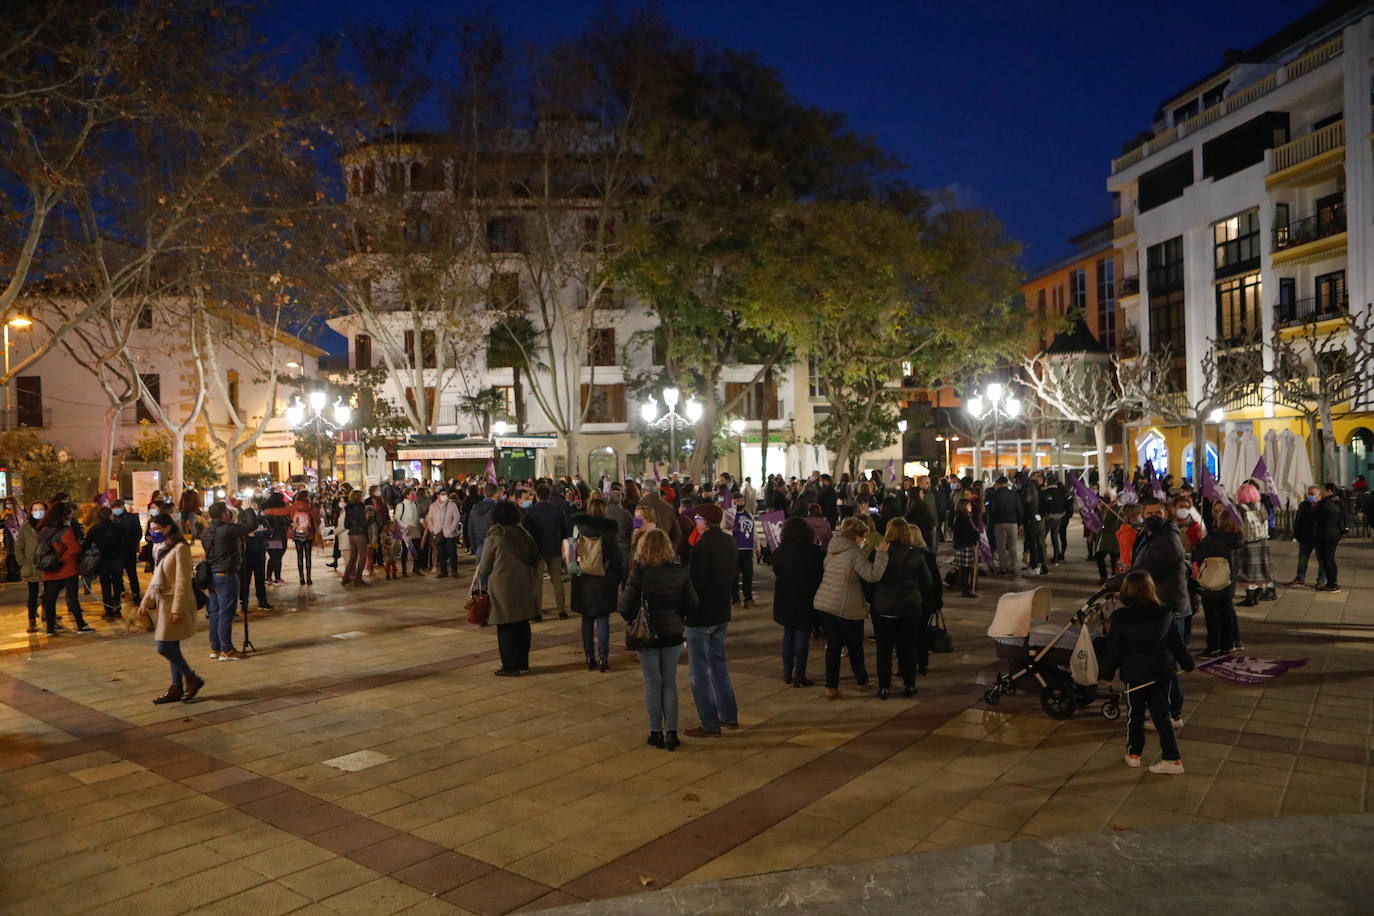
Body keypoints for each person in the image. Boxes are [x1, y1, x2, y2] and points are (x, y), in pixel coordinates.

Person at [1098, 570, 1195, 774]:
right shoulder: (1164, 613)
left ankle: (1134, 754)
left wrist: (1107, 673)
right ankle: (1172, 758)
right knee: (1162, 715)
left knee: (1135, 715)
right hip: (1161, 672)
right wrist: (1187, 663)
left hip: (1135, 674)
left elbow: (1113, 649)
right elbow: (1176, 643)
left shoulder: (1121, 618)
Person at [620, 528, 695, 751]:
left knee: (653, 681)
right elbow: (692, 602)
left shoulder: (640, 574)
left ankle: (656, 732)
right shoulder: (679, 571)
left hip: (647, 634)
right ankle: (672, 732)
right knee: (669, 681)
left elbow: (625, 607)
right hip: (672, 632)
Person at [1128, 497, 1190, 727]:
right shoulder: (1151, 535)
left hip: (1168, 608)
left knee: (1165, 665)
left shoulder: (1167, 540)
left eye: (1158, 512)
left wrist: (1120, 582)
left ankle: (1170, 714)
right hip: (1156, 606)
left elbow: (1147, 570)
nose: (1153, 516)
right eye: (1149, 512)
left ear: (1166, 512)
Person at [813, 516, 889, 699]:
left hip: (825, 603)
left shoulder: (834, 549)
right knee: (855, 646)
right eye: (862, 536)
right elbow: (872, 575)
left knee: (833, 646)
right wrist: (881, 554)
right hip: (846, 607)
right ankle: (862, 681)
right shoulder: (854, 553)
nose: (863, 539)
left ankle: (831, 687)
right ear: (855, 536)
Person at [683, 503, 740, 737]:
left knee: (698, 671)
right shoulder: (729, 542)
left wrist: (685, 608)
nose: (695, 521)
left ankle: (709, 722)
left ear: (704, 522)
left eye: (697, 518)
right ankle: (729, 714)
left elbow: (695, 584)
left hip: (701, 615)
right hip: (721, 612)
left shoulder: (702, 547)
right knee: (718, 665)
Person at [139, 514, 206, 704]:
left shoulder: (180, 549)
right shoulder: (161, 548)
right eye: (152, 529)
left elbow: (183, 581)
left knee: (164, 647)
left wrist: (178, 609)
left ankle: (191, 678)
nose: (154, 533)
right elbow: (156, 579)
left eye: (157, 529)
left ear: (169, 527)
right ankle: (176, 687)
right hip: (163, 603)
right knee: (172, 647)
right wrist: (146, 602)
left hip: (175, 604)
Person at [478, 500, 541, 676]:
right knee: (522, 624)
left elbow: (484, 567)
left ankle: (509, 666)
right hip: (524, 585)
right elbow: (535, 558)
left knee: (506, 627)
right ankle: (522, 662)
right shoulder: (523, 534)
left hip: (502, 588)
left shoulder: (495, 536)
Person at [870, 518, 929, 699]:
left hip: (884, 607)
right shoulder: (916, 555)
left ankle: (884, 687)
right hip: (909, 608)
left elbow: (871, 579)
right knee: (908, 647)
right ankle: (909, 684)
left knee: (884, 649)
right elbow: (927, 581)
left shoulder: (879, 553)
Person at [570, 498, 625, 671]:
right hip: (603, 581)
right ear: (603, 511)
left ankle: (589, 657)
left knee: (586, 620)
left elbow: (571, 553)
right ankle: (603, 658)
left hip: (582, 580)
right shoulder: (609, 531)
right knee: (603, 620)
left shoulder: (577, 528)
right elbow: (617, 558)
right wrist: (616, 578)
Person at [770, 517, 824, 688]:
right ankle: (800, 674)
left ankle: (787, 671)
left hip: (786, 597)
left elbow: (777, 570)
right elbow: (820, 573)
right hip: (806, 597)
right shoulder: (815, 552)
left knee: (788, 634)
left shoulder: (780, 551)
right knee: (802, 636)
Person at [1191, 512, 1244, 656]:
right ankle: (1228, 644)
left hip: (1213, 581)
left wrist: (1198, 545)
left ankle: (1213, 647)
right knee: (1226, 614)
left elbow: (1198, 555)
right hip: (1228, 582)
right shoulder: (1238, 540)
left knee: (1212, 617)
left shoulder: (1214, 538)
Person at [37, 501, 93, 634]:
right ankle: (80, 625)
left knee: (50, 599)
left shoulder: (42, 530)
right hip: (67, 569)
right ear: (63, 515)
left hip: (49, 569)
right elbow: (74, 549)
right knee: (72, 598)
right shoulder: (65, 531)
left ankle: (50, 628)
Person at [200, 502, 247, 660]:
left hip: (212, 575)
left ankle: (215, 648)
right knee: (226, 613)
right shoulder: (226, 529)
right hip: (226, 575)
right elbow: (250, 526)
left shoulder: (206, 532)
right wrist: (247, 509)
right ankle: (227, 649)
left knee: (214, 613)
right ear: (223, 514)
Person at [523, 485, 571, 619]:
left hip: (538, 550)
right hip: (554, 549)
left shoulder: (531, 512)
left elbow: (527, 531)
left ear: (537, 496)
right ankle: (561, 610)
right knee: (557, 581)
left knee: (537, 582)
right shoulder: (556, 510)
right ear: (549, 496)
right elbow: (565, 528)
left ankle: (537, 612)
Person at [1235, 483, 1276, 606]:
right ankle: (1257, 595)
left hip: (1247, 543)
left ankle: (1250, 598)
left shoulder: (1240, 508)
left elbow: (1238, 526)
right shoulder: (1260, 506)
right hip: (1262, 542)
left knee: (1248, 571)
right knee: (1260, 571)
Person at [84, 506, 127, 620]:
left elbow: (86, 544)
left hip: (103, 561)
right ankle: (118, 606)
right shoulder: (118, 527)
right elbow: (125, 542)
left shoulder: (94, 529)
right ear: (110, 515)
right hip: (117, 560)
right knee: (118, 584)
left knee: (105, 585)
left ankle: (108, 610)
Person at [17, 500, 45, 633]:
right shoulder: (26, 527)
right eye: (35, 509)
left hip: (47, 565)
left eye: (41, 509)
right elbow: (19, 547)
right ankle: (32, 621)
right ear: (31, 512)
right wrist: (23, 562)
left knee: (49, 593)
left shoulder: (49, 525)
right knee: (32, 594)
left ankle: (49, 616)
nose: (38, 511)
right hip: (32, 566)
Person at [1313, 482, 1345, 593]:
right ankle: (1333, 582)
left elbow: (1315, 516)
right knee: (1330, 559)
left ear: (1329, 491)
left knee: (1327, 559)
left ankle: (1332, 584)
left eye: (1323, 490)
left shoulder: (1325, 503)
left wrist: (1316, 505)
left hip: (1326, 535)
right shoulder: (1338, 502)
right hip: (1334, 534)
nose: (1321, 492)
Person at [986, 476, 1021, 577]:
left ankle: (1003, 568)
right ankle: (1013, 567)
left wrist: (991, 523)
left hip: (999, 523)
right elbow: (1019, 509)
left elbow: (991, 511)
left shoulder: (994, 495)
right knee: (1013, 546)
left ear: (999, 484)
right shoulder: (1014, 494)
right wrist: (1020, 522)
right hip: (1013, 522)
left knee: (1001, 547)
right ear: (1006, 483)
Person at [425, 489, 462, 579]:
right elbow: (429, 518)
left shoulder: (452, 505)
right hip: (438, 532)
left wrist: (452, 528)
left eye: (446, 494)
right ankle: (443, 571)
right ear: (438, 495)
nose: (444, 496)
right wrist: (432, 528)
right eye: (442, 494)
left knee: (452, 552)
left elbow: (456, 518)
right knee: (441, 553)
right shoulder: (433, 506)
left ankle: (454, 571)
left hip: (450, 533)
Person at [112, 499, 143, 602]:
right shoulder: (112, 518)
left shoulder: (132, 518)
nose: (116, 510)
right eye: (114, 508)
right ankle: (120, 596)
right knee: (117, 576)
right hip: (116, 553)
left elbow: (138, 533)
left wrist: (133, 544)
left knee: (132, 574)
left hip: (129, 551)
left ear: (123, 507)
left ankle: (136, 595)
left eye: (118, 507)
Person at [287, 490, 320, 585]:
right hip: (308, 534)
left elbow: (290, 518)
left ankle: (301, 578)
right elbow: (316, 520)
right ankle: (308, 578)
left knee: (299, 556)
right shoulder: (310, 506)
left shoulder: (294, 507)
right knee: (308, 557)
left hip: (297, 534)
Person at [951, 498, 980, 599]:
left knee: (964, 569)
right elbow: (967, 533)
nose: (970, 507)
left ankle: (965, 588)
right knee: (966, 569)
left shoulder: (962, 518)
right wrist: (975, 537)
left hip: (962, 545)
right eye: (968, 506)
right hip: (965, 545)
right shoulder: (964, 519)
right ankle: (965, 590)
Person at [730, 502, 757, 608]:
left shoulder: (748, 514)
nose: (739, 502)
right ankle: (735, 600)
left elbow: (753, 531)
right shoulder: (729, 515)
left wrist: (757, 546)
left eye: (741, 500)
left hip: (748, 549)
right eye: (737, 500)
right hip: (735, 549)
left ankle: (748, 598)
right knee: (734, 576)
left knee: (748, 575)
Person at [341, 491, 371, 587]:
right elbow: (364, 523)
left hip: (351, 534)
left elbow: (346, 525)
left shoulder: (348, 508)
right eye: (362, 496)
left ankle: (345, 578)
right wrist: (369, 519)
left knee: (353, 557)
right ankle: (358, 579)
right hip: (360, 534)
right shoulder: (362, 508)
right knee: (362, 557)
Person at [394, 488, 422, 577]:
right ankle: (404, 570)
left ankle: (416, 568)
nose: (413, 495)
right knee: (405, 551)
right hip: (406, 532)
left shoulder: (415, 504)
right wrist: (406, 526)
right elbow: (397, 519)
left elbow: (417, 516)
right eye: (411, 494)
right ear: (407, 495)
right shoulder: (401, 505)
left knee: (417, 550)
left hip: (415, 531)